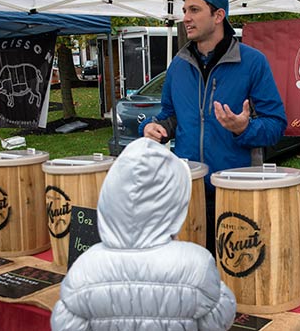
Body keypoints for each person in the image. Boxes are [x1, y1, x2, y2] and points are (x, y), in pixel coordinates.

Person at [140, 0, 287, 256]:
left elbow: (276, 125)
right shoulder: (178, 65)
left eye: (194, 10)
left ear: (218, 16)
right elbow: (169, 116)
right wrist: (151, 127)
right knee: (189, 271)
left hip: (236, 191)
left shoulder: (253, 62)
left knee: (233, 278)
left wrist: (244, 128)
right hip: (188, 190)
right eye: (185, 10)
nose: (186, 17)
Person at [51, 137, 236, 331]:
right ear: (173, 201)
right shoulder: (197, 265)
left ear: (110, 196)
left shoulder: (84, 267)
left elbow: (64, 325)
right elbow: (220, 319)